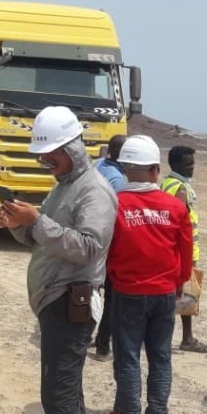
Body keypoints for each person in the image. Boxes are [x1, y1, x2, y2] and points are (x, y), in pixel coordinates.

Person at [0, 106, 117, 414]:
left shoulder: (94, 192)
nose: (45, 162)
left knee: (58, 397)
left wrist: (35, 220)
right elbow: (44, 239)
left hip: (70, 302)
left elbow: (90, 247)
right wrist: (19, 226)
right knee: (64, 390)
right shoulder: (63, 186)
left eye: (51, 155)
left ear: (73, 150)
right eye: (42, 157)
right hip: (56, 300)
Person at [100, 135, 194, 414]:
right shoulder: (176, 207)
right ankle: (157, 412)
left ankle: (127, 412)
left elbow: (105, 249)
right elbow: (185, 253)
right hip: (165, 293)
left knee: (128, 356)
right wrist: (178, 283)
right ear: (155, 170)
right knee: (161, 356)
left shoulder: (115, 205)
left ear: (125, 169)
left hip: (127, 292)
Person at [161, 146, 207, 353]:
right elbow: (180, 220)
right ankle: (187, 338)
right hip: (184, 250)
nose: (193, 168)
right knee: (187, 293)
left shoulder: (166, 182)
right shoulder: (180, 188)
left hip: (174, 248)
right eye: (189, 164)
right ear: (177, 164)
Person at [92, 134, 127, 361]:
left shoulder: (98, 166)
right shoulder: (118, 181)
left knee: (90, 290)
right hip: (108, 242)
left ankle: (87, 334)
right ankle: (103, 346)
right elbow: (118, 216)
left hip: (91, 236)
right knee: (112, 300)